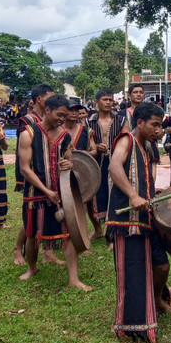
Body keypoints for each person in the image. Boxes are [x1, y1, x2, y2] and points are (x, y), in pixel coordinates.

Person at [107, 102, 169, 342]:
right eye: (155, 125)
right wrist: (133, 195)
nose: (159, 130)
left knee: (160, 265)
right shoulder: (127, 140)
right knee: (132, 271)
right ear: (140, 122)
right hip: (127, 221)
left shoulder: (145, 148)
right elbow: (114, 166)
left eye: (161, 126)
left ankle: (156, 302)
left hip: (144, 219)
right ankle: (132, 324)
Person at [17, 94, 90, 289]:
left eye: (64, 116)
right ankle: (32, 268)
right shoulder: (28, 133)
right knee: (32, 234)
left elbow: (70, 160)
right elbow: (25, 168)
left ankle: (74, 279)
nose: (62, 119)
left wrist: (68, 164)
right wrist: (45, 190)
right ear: (47, 110)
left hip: (61, 192)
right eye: (59, 115)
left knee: (69, 233)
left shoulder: (65, 136)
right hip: (35, 193)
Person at [13, 85, 56, 264]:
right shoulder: (28, 120)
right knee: (31, 216)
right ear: (40, 99)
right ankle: (18, 248)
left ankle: (48, 253)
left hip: (48, 169)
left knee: (48, 212)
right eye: (50, 97)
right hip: (32, 169)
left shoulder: (50, 118)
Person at [65, 97, 104, 239]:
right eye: (71, 109)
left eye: (77, 110)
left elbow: (94, 150)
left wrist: (81, 155)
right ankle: (67, 235)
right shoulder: (58, 130)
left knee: (88, 202)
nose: (75, 112)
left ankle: (97, 230)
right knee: (66, 202)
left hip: (83, 171)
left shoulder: (86, 131)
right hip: (63, 171)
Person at [87, 89, 126, 221]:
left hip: (117, 162)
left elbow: (126, 141)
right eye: (105, 99)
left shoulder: (121, 120)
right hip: (95, 163)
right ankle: (98, 227)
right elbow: (85, 143)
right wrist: (96, 147)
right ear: (96, 102)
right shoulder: (88, 121)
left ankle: (115, 221)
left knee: (117, 190)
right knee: (95, 194)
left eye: (110, 100)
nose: (108, 102)